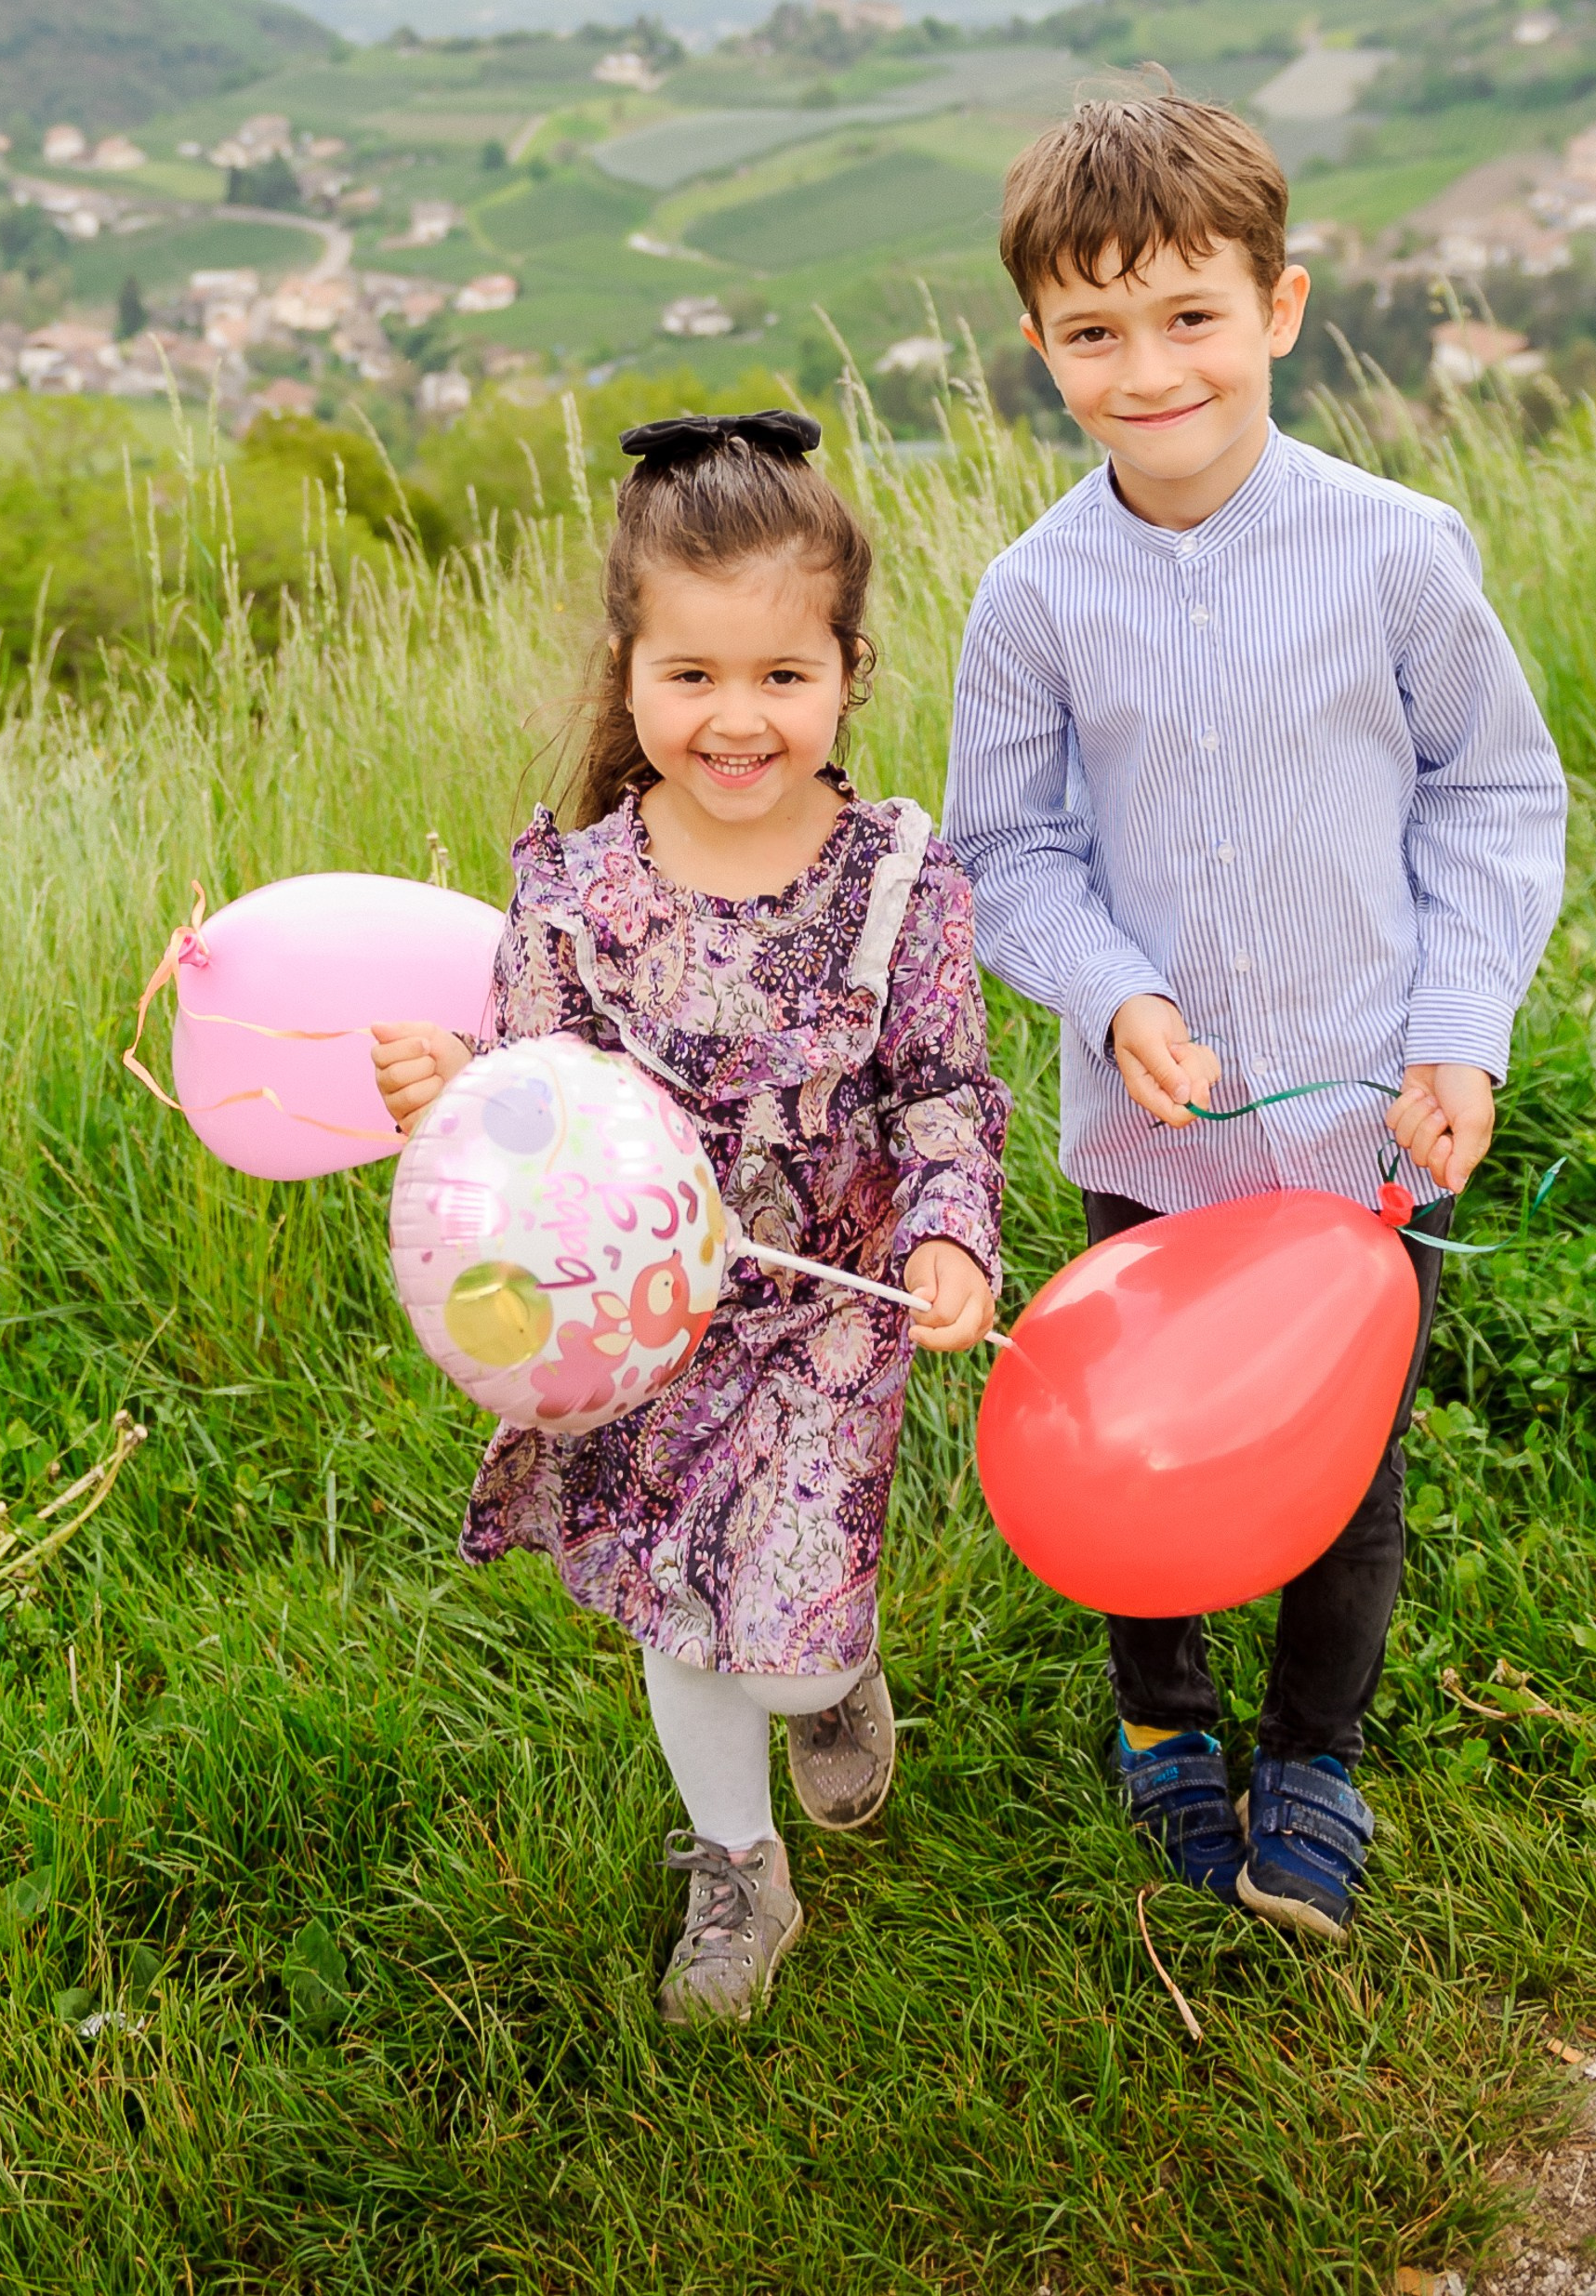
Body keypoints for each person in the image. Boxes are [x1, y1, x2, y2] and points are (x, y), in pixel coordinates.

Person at [943, 78, 1565, 1941]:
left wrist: (1462, 1029)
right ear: (1041, 344)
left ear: (1279, 310)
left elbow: (1495, 789)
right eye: (1095, 330)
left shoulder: (1393, 546)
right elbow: (1004, 847)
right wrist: (1114, 987)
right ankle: (1163, 1711)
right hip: (1155, 1135)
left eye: (1192, 315)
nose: (1152, 367)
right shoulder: (1034, 593)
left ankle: (1312, 1749)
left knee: (1342, 1467)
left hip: (1371, 1125)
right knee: (1140, 1437)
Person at [373, 410, 1005, 2026]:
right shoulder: (574, 892)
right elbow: (531, 1105)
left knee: (780, 1643)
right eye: (694, 678)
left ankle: (833, 1672)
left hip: (822, 1318)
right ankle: (738, 1863)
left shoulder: (896, 883)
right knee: (676, 1605)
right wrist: (453, 1083)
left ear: (850, 670)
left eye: (781, 678)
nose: (737, 721)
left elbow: (939, 1086)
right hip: (633, 1328)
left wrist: (948, 1232)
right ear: (631, 672)